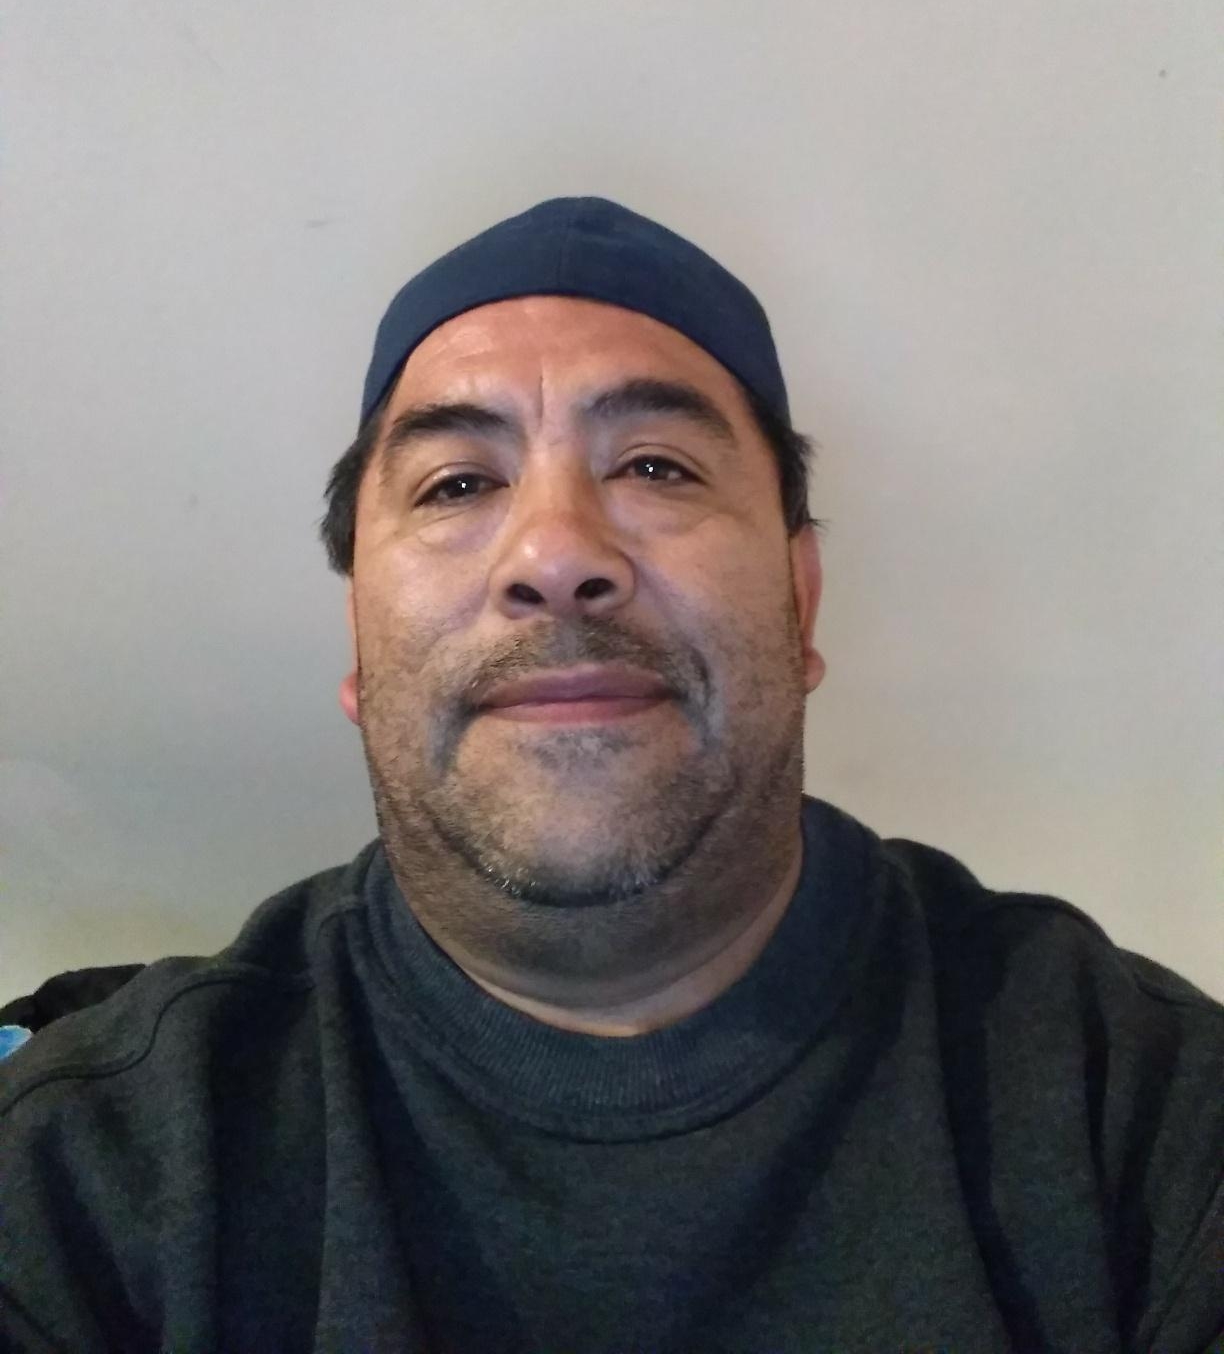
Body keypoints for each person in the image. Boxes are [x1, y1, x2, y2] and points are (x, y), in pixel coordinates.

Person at [1, 196, 1220, 1354]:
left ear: (799, 603)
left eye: (656, 467)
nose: (556, 554)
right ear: (361, 647)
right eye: (459, 483)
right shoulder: (80, 1179)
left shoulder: (1145, 1117)